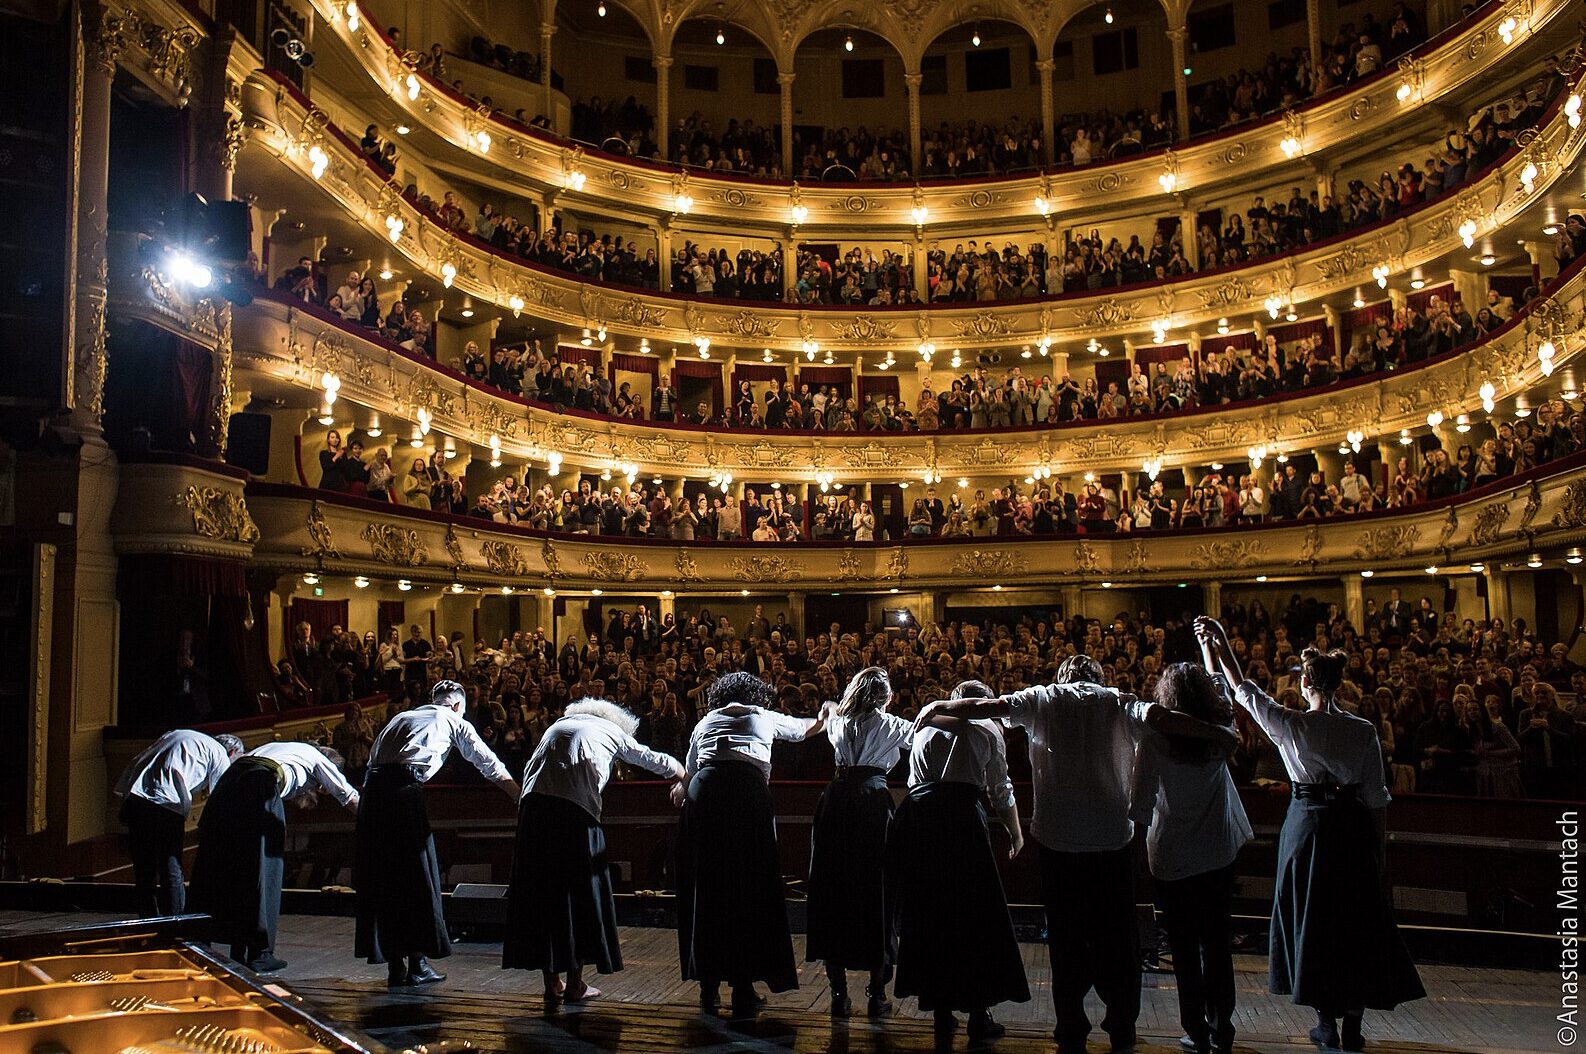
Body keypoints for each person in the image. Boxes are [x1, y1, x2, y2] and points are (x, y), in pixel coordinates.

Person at [914, 655, 1235, 1054]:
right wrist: (1217, 733)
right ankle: (1121, 1029)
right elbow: (1161, 718)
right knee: (1118, 944)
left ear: (1062, 675)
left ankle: (1071, 1029)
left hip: (1059, 842)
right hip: (1110, 841)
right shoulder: (1118, 700)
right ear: (1098, 677)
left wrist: (939, 704)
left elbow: (986, 706)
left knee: (1066, 944)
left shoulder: (1044, 698)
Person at [1195, 618, 1425, 1050]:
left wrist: (1220, 642)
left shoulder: (1292, 725)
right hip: (1352, 828)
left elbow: (1241, 687)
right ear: (1340, 685)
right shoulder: (1362, 730)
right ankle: (1353, 1023)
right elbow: (1376, 799)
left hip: (1307, 827)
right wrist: (1379, 855)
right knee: (1354, 921)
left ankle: (1326, 1023)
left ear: (1304, 684)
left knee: (1312, 920)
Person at [504, 698, 685, 1008]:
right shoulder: (610, 730)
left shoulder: (557, 726)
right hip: (574, 812)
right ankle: (575, 983)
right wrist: (682, 772)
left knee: (542, 894)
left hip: (532, 811)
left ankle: (552, 983)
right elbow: (648, 758)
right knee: (580, 894)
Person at [674, 671, 825, 1019]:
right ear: (755, 695)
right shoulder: (762, 715)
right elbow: (803, 729)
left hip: (705, 795)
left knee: (708, 887)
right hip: (745, 796)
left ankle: (708, 986)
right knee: (748, 888)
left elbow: (691, 768)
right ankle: (743, 988)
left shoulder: (706, 720)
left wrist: (682, 789)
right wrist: (826, 716)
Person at [356, 680, 520, 988]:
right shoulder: (453, 720)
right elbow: (487, 763)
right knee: (417, 878)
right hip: (403, 793)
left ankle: (395, 966)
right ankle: (418, 964)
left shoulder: (400, 717)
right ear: (457, 705)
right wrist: (518, 796)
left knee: (383, 878)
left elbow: (373, 760)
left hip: (372, 796)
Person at [890, 680, 1028, 1040]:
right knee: (973, 915)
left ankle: (940, 1010)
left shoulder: (924, 725)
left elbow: (914, 780)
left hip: (923, 818)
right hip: (962, 820)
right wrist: (1015, 832)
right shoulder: (988, 729)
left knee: (932, 913)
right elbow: (1000, 788)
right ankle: (978, 1013)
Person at [1132, 664, 1252, 1054]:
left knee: (1183, 948)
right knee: (1216, 943)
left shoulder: (1155, 739)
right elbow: (1223, 691)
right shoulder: (1220, 735)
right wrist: (1212, 648)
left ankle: (1195, 1029)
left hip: (1173, 854)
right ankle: (1222, 1025)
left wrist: (1136, 853)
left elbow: (1142, 798)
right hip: (1216, 851)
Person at [189, 742, 359, 972]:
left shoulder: (281, 749)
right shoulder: (318, 759)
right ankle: (260, 953)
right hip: (259, 785)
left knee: (222, 865)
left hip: (226, 786)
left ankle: (203, 940)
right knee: (265, 868)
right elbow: (350, 799)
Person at [806, 667, 912, 1018]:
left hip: (836, 800)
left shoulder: (839, 722)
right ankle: (877, 992)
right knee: (876, 888)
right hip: (871, 803)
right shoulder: (890, 724)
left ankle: (838, 992)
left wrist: (829, 706)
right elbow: (922, 738)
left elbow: (829, 710)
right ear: (886, 696)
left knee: (833, 889)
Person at [113, 730, 244, 917]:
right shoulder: (220, 754)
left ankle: (147, 919)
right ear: (232, 752)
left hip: (136, 797)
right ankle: (176, 921)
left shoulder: (182, 735)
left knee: (144, 867)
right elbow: (220, 796)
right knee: (171, 866)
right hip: (167, 802)